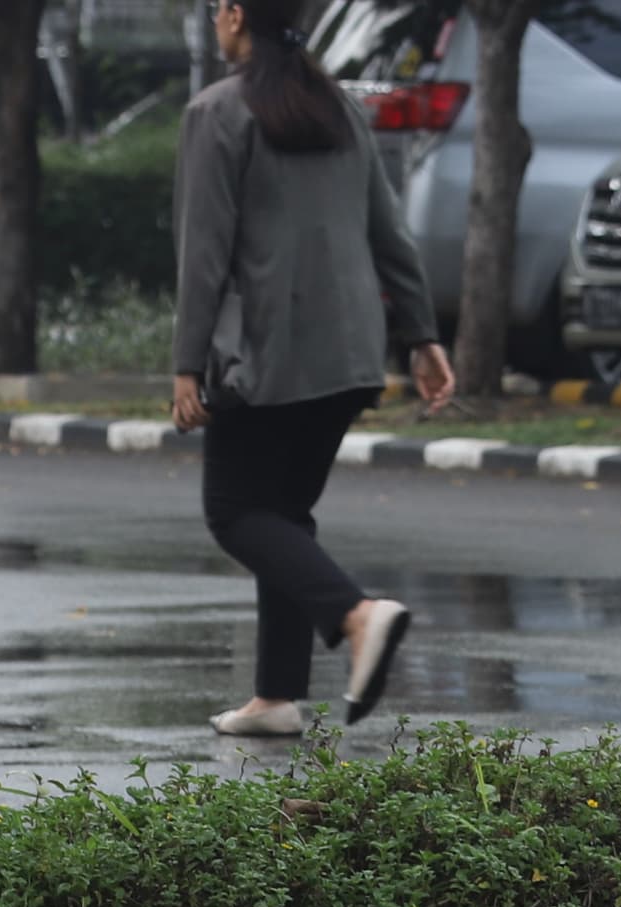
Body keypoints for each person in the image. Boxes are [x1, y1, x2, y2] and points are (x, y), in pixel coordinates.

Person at [170, 0, 457, 742]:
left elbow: (203, 253)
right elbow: (389, 231)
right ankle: (277, 697)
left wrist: (186, 363)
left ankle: (356, 614)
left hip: (264, 353)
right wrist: (422, 336)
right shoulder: (338, 108)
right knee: (283, 513)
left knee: (235, 512)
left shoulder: (216, 112)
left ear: (236, 15)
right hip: (350, 352)